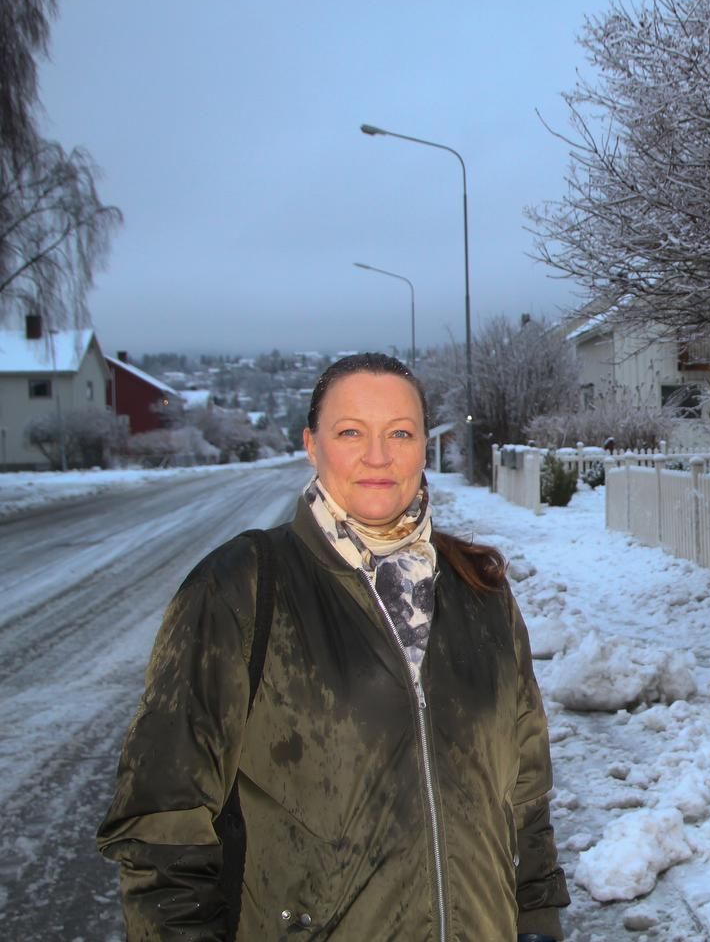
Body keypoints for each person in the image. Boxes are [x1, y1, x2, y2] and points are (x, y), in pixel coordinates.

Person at [98, 352, 569, 941]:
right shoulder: (241, 585)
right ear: (312, 445)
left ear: (425, 445)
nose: (378, 456)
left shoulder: (481, 592)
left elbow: (525, 788)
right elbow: (163, 821)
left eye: (400, 433)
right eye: (351, 432)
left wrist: (538, 916)